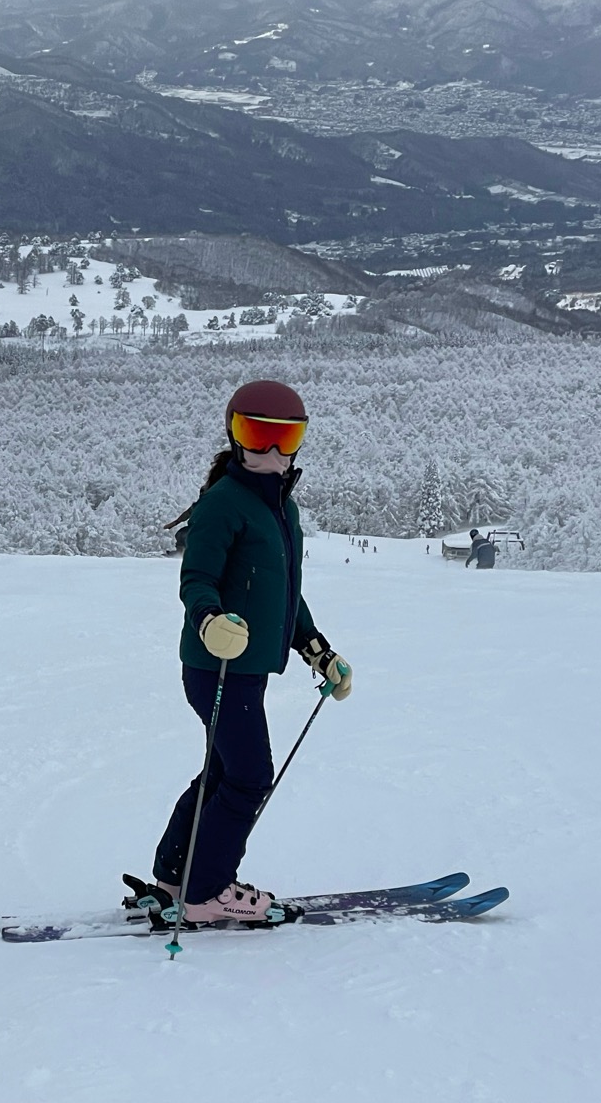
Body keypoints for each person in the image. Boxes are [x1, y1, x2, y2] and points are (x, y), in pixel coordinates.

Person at [150, 380, 353, 925]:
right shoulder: (223, 504)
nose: (270, 452)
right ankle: (207, 892)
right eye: (256, 435)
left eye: (284, 439)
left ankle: (175, 874)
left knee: (224, 770)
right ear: (234, 436)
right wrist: (209, 619)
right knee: (248, 776)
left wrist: (317, 649)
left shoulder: (281, 510)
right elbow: (197, 578)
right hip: (216, 667)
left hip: (245, 671)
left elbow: (282, 592)